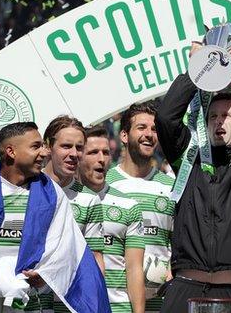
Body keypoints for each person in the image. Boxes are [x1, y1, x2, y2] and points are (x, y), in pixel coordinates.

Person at [155, 42, 231, 312]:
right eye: (212, 116)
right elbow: (166, 118)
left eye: (226, 116)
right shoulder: (189, 159)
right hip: (186, 288)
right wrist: (196, 71)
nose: (218, 121)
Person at [0, 122, 110, 312]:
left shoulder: (52, 194)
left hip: (33, 304)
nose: (43, 153)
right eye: (35, 147)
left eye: (43, 146)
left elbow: (65, 246)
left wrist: (44, 274)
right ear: (11, 151)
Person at [105, 102, 174, 312]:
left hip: (160, 302)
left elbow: (181, 242)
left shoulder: (171, 187)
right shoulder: (105, 183)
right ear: (124, 136)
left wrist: (170, 271)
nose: (149, 134)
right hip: (114, 303)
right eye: (141, 128)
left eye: (154, 129)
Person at [78, 126, 146, 313]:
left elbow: (134, 269)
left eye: (106, 152)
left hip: (118, 308)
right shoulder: (63, 200)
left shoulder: (128, 205)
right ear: (78, 156)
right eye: (93, 152)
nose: (101, 159)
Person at [43, 116, 105, 270]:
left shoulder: (90, 200)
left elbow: (95, 258)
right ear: (47, 146)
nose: (73, 153)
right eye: (66, 146)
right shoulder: (26, 188)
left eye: (79, 147)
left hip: (66, 292)